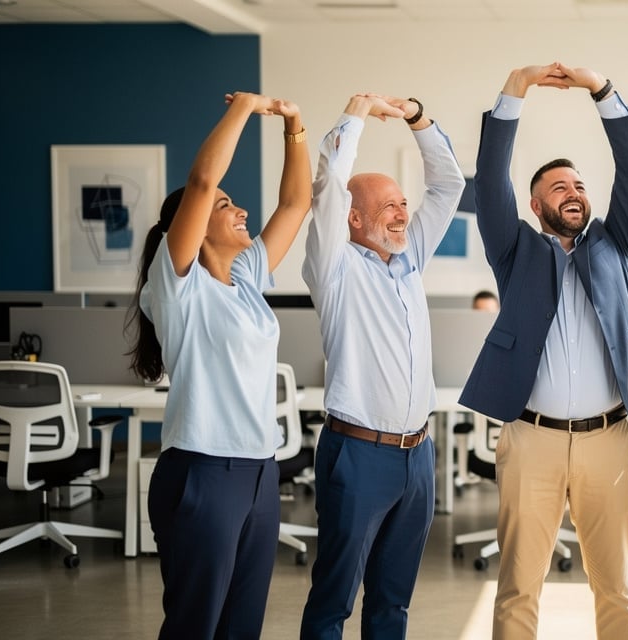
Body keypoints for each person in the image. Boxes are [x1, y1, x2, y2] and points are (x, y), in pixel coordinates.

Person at [459, 62, 628, 640]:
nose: (573, 193)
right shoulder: (515, 249)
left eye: (579, 186)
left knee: (617, 588)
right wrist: (516, 89)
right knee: (520, 586)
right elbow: (491, 174)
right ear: (535, 206)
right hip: (533, 441)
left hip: (609, 438)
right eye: (559, 187)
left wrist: (600, 90)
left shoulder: (613, 245)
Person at [127, 91, 311, 638]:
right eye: (229, 205)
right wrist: (244, 108)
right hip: (202, 472)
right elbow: (203, 183)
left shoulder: (248, 276)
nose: (241, 212)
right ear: (194, 221)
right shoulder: (178, 283)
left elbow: (296, 205)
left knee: (242, 626)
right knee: (194, 625)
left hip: (259, 471)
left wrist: (294, 125)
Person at [299, 93, 465, 639]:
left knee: (393, 603)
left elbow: (449, 186)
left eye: (401, 203)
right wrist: (356, 116)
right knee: (334, 599)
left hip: (417, 456)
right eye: (390, 205)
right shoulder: (336, 267)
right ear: (353, 218)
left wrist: (417, 119)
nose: (403, 212)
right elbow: (325, 191)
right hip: (358, 455)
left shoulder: (410, 254)